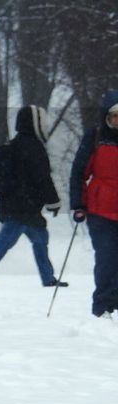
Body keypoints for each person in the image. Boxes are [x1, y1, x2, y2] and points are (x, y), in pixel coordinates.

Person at [0, 106, 66, 287]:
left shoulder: (13, 146)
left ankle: (47, 278)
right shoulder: (35, 148)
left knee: (28, 239)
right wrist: (53, 202)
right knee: (27, 241)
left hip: (13, 206)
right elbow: (43, 178)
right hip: (27, 207)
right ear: (35, 122)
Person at [69, 90, 118, 318]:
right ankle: (102, 306)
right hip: (101, 211)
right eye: (114, 115)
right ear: (106, 116)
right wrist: (78, 204)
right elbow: (79, 172)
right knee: (107, 257)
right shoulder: (96, 137)